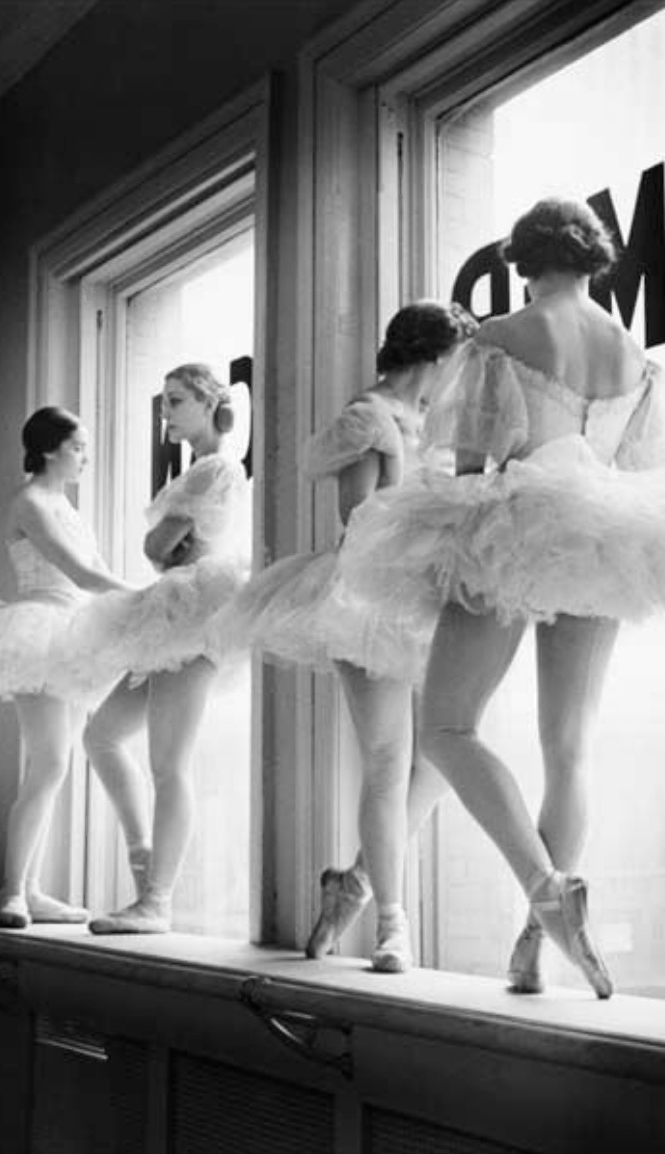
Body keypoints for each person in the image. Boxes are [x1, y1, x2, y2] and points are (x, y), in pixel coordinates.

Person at [339, 199, 665, 997]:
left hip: (515, 530)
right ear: (593, 257)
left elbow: (478, 465)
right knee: (571, 747)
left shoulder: (503, 336)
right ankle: (532, 951)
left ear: (524, 259)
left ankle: (547, 895)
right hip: (606, 535)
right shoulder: (634, 354)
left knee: (447, 727)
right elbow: (637, 464)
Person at [223, 302, 477, 971]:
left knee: (453, 752)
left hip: (427, 596)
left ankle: (355, 884)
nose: (458, 377)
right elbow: (357, 518)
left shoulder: (430, 422)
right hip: (369, 595)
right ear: (434, 355)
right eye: (456, 362)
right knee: (389, 762)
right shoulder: (370, 417)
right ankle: (393, 924)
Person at [83, 363, 251, 934]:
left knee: (168, 762)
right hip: (170, 612)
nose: (166, 412)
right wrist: (163, 547)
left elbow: (160, 544)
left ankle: (157, 901)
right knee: (100, 734)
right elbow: (160, 547)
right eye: (163, 403)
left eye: (176, 401)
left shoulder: (219, 467)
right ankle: (144, 865)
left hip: (194, 615)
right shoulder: (197, 470)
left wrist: (165, 547)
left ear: (208, 404)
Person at [0, 407, 133, 928]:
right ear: (53, 449)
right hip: (40, 634)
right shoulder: (30, 501)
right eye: (79, 446)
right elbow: (78, 572)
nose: (85, 456)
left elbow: (95, 572)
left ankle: (29, 889)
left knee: (55, 764)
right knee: (50, 761)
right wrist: (148, 597)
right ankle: (12, 890)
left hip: (76, 634)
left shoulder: (66, 506)